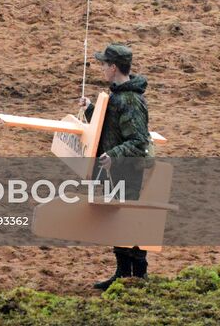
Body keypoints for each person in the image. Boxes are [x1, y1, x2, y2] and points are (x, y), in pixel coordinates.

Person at [80, 42, 151, 287]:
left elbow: (139, 141)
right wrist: (90, 111)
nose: (101, 68)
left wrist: (114, 154)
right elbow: (110, 128)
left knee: (128, 220)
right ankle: (122, 274)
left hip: (128, 171)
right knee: (118, 221)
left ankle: (138, 275)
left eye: (103, 64)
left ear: (113, 67)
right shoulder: (117, 96)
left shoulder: (130, 100)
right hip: (117, 170)